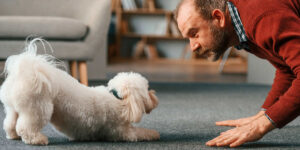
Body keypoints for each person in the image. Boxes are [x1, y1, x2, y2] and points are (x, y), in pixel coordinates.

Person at [175, 0, 300, 148]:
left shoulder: (261, 17)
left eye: (194, 34)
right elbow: (286, 68)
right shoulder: (239, 27)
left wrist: (260, 125)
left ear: (219, 18)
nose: (193, 46)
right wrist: (263, 113)